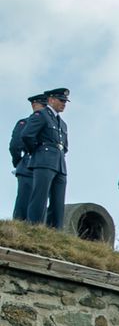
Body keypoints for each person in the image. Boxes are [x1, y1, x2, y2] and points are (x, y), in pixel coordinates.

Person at [19, 87, 69, 228]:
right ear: (51, 100)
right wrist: (38, 151)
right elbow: (27, 135)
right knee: (39, 197)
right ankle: (34, 227)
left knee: (58, 200)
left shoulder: (62, 123)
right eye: (61, 100)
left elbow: (64, 146)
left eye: (65, 102)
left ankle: (54, 231)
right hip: (44, 160)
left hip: (59, 163)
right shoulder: (41, 115)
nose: (64, 104)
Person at [9, 93, 45, 221]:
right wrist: (19, 163)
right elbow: (15, 146)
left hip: (43, 166)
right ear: (34, 105)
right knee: (23, 204)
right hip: (28, 165)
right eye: (44, 105)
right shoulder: (25, 123)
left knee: (39, 203)